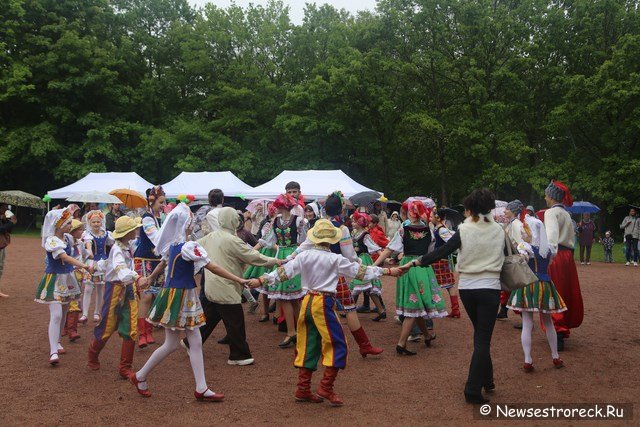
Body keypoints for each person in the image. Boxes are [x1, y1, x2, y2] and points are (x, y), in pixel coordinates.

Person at [248, 219, 402, 406]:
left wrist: (260, 280)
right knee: (338, 344)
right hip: (323, 303)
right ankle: (325, 388)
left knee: (309, 343)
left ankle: (303, 389)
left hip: (306, 302)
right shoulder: (334, 259)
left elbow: (282, 273)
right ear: (331, 240)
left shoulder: (304, 256)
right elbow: (361, 272)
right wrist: (388, 271)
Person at [130, 204, 245, 401]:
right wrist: (239, 280)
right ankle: (197, 387)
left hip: (172, 295)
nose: (193, 223)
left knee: (175, 343)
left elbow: (163, 263)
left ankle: (143, 376)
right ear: (187, 223)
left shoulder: (173, 246)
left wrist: (150, 278)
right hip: (183, 296)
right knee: (189, 342)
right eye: (191, 220)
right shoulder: (189, 246)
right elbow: (212, 267)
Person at [403, 189, 505, 404]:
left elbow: (442, 251)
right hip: (490, 287)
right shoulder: (499, 230)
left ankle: (488, 380)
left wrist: (414, 262)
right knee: (483, 338)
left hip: (468, 287)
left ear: (471, 208)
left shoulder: (464, 229)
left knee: (480, 335)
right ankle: (473, 388)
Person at [184, 207, 280, 365]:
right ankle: (239, 355)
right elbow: (252, 257)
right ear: (233, 220)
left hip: (212, 284)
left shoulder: (210, 236)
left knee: (212, 316)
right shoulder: (232, 239)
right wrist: (275, 261)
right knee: (235, 321)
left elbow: (192, 247)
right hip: (227, 286)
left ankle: (189, 342)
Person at [374, 201, 446, 355]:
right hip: (422, 267)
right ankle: (403, 342)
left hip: (407, 267)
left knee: (414, 305)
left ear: (408, 213)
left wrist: (375, 265)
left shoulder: (403, 230)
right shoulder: (429, 230)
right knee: (416, 305)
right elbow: (430, 252)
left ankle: (422, 336)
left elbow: (389, 249)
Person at [506, 200, 567, 372]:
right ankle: (555, 356)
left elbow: (522, 256)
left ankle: (528, 360)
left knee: (527, 322)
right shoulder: (549, 249)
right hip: (545, 285)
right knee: (548, 323)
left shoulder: (526, 247)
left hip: (528, 285)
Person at [88, 216, 152, 377]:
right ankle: (92, 353)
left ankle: (125, 367)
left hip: (127, 288)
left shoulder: (128, 245)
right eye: (134, 229)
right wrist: (137, 278)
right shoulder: (118, 249)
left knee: (130, 326)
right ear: (128, 232)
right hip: (115, 290)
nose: (137, 231)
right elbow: (120, 269)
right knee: (107, 327)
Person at [36, 208, 93, 365]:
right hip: (55, 279)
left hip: (68, 279)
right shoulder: (51, 240)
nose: (70, 225)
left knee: (64, 311)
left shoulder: (68, 237)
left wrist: (87, 248)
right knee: (56, 314)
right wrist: (84, 266)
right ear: (58, 225)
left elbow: (84, 237)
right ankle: (53, 351)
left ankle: (58, 341)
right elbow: (64, 256)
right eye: (67, 223)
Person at [255, 194, 307, 348]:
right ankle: (296, 331)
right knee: (287, 296)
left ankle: (293, 332)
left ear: (283, 206)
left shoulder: (298, 220)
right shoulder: (275, 221)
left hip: (293, 256)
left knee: (289, 297)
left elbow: (303, 242)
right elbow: (267, 241)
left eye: (278, 205)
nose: (276, 207)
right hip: (282, 255)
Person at [543, 180, 584, 351]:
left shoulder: (551, 213)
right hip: (568, 256)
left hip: (557, 255)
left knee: (554, 291)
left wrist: (548, 259)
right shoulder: (567, 213)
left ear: (551, 197)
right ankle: (562, 326)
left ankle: (558, 331)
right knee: (566, 290)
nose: (545, 198)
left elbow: (552, 238)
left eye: (546, 195)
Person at [133, 185, 166, 348]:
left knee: (154, 295)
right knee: (145, 296)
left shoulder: (161, 217)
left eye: (164, 202)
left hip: (156, 261)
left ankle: (149, 331)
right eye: (161, 202)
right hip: (144, 259)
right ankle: (142, 333)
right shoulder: (147, 217)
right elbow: (155, 237)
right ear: (152, 201)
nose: (163, 205)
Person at [349, 211, 385, 320]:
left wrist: (383, 256)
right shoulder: (355, 233)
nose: (352, 223)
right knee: (366, 287)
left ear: (359, 222)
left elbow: (375, 247)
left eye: (354, 221)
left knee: (358, 284)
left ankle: (350, 309)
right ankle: (381, 311)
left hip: (363, 260)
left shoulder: (365, 235)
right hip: (358, 260)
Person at [80, 210, 113, 324]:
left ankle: (96, 312)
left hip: (103, 263)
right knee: (88, 288)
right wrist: (90, 253)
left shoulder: (106, 234)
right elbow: (88, 246)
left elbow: (112, 245)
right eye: (93, 222)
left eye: (98, 222)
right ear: (89, 223)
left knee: (100, 289)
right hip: (91, 263)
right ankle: (84, 314)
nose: (96, 224)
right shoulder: (88, 235)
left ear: (101, 222)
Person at [430, 208, 461, 319]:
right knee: (447, 284)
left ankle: (451, 309)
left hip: (441, 260)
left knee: (442, 284)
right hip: (439, 259)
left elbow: (451, 244)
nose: (430, 218)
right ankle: (454, 309)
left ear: (437, 218)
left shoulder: (442, 230)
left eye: (431, 216)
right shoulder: (439, 228)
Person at [63, 219, 89, 343]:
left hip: (77, 274)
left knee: (75, 300)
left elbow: (84, 256)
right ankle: (66, 327)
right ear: (72, 231)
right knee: (65, 299)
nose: (82, 232)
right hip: (67, 274)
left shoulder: (81, 244)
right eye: (79, 229)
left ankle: (71, 329)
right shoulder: (65, 243)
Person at [0, 203, 17, 298]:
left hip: (2, 246)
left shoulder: (2, 217)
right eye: (4, 207)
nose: (6, 209)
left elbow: (8, 231)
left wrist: (10, 222)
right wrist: (11, 223)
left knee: (0, 268)